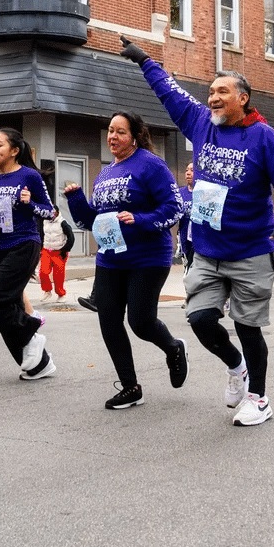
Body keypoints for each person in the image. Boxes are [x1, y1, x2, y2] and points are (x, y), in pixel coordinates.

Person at [121, 36, 274, 426]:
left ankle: (258, 397)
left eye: (222, 91)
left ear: (243, 98)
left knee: (247, 325)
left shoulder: (263, 136)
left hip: (250, 250)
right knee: (201, 319)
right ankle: (236, 366)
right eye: (210, 92)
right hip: (206, 249)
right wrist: (145, 61)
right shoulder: (200, 123)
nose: (212, 98)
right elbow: (170, 93)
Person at [64, 111, 187, 410]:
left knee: (140, 322)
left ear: (134, 136)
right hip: (110, 257)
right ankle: (130, 387)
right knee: (108, 319)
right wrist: (76, 200)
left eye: (120, 132)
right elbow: (92, 221)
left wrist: (139, 219)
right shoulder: (106, 172)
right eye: (110, 131)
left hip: (147, 256)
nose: (113, 137)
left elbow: (175, 207)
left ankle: (173, 348)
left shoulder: (150, 164)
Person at [0, 127, 56, 380]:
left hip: (25, 243)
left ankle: (31, 332)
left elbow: (50, 212)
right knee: (10, 304)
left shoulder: (29, 176)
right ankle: (38, 364)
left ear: (14, 151)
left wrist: (30, 204)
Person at [38, 213, 75, 304]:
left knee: (58, 275)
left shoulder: (62, 223)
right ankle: (47, 291)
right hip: (46, 250)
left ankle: (61, 294)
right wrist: (39, 249)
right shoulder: (44, 221)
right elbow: (41, 235)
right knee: (43, 272)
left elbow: (71, 237)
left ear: (57, 213)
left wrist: (66, 249)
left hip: (59, 251)